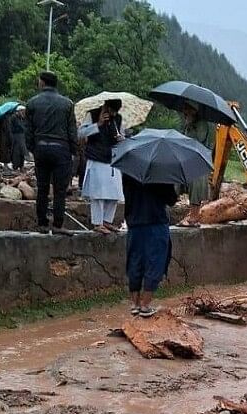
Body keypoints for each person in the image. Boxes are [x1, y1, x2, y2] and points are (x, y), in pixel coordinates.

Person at [25, 71, 78, 236]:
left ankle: (41, 223)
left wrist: (33, 148)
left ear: (42, 83)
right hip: (61, 149)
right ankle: (57, 224)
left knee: (42, 187)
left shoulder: (32, 103)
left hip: (41, 147)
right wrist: (73, 151)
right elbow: (72, 130)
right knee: (60, 190)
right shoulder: (67, 104)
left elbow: (29, 130)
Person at [123, 174, 178, 317]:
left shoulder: (129, 171)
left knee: (135, 261)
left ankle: (134, 304)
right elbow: (171, 199)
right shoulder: (162, 172)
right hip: (156, 223)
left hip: (135, 223)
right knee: (156, 262)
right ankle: (145, 305)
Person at [79, 100, 125, 234]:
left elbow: (122, 134)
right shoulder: (92, 114)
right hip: (96, 157)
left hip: (112, 158)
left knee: (114, 193)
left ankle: (107, 221)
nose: (113, 114)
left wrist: (121, 138)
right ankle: (97, 223)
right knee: (98, 194)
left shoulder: (118, 119)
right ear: (106, 107)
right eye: (111, 111)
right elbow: (81, 133)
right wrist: (98, 124)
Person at [181, 101, 214, 211]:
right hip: (189, 160)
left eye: (187, 110)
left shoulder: (202, 124)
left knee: (196, 188)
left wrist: (190, 125)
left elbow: (198, 140)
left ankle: (194, 216)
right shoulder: (188, 124)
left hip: (200, 161)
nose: (185, 112)